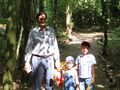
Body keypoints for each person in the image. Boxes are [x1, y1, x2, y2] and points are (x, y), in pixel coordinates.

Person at [24, 11, 60, 90]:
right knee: (36, 84)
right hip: (37, 60)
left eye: (44, 18)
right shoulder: (33, 31)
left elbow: (55, 46)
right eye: (40, 19)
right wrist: (27, 62)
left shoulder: (51, 30)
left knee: (50, 82)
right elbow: (29, 47)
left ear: (46, 19)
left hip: (50, 59)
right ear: (37, 20)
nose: (43, 20)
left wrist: (57, 60)